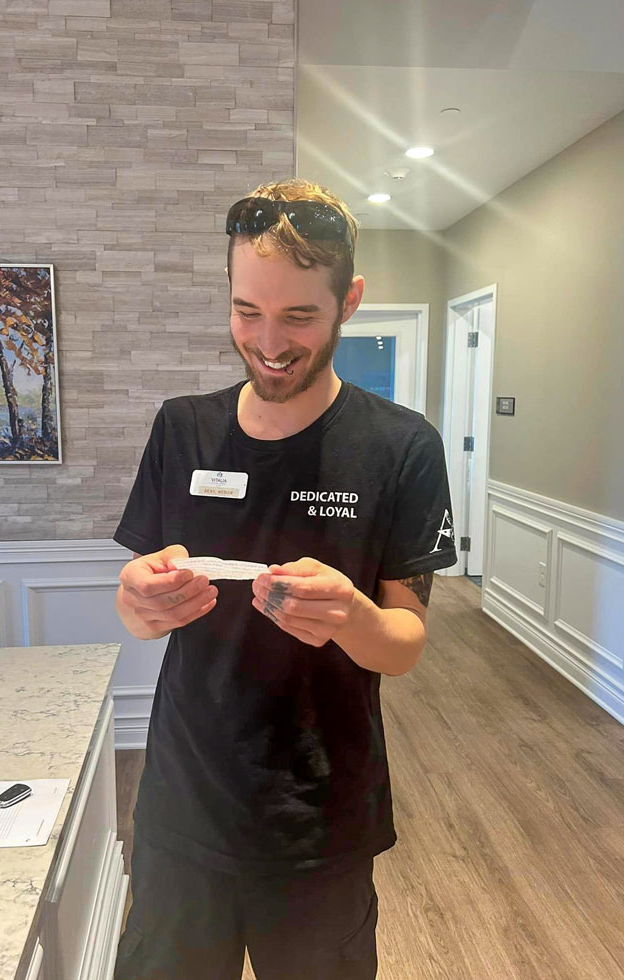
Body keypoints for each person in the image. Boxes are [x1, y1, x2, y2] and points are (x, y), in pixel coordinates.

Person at [112, 177, 458, 980]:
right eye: (247, 311)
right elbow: (139, 611)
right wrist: (138, 601)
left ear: (350, 300)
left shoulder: (401, 447)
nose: (269, 341)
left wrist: (351, 616)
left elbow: (403, 645)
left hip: (320, 822)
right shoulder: (182, 428)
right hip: (181, 807)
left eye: (300, 315)